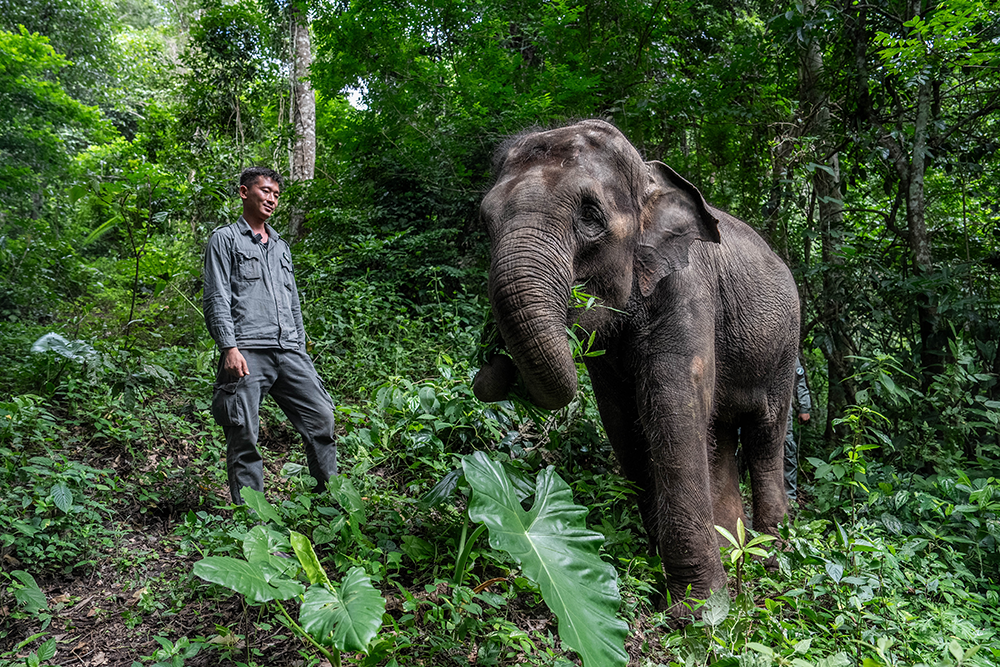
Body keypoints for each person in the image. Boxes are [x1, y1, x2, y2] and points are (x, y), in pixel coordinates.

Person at [203, 166, 337, 504]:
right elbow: (216, 296)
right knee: (244, 434)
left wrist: (301, 348)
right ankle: (252, 518)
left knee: (322, 418)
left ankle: (330, 503)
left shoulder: (280, 246)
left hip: (290, 351)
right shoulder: (225, 239)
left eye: (276, 194)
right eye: (265, 191)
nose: (272, 199)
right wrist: (228, 347)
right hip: (247, 351)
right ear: (244, 192)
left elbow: (293, 304)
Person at [785, 358, 812, 502]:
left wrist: (804, 407)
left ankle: (789, 496)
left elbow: (799, 380)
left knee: (787, 447)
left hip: (782, 404)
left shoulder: (786, 343)